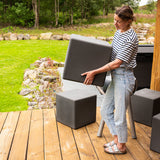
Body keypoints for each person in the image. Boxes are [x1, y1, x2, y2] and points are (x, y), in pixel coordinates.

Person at [81, 5, 138, 154]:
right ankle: (117, 139)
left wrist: (94, 71)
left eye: (118, 21)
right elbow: (111, 53)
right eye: (114, 20)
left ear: (129, 21)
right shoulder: (118, 32)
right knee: (106, 110)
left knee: (119, 116)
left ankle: (121, 146)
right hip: (115, 77)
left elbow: (117, 62)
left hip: (124, 78)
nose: (115, 24)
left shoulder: (131, 38)